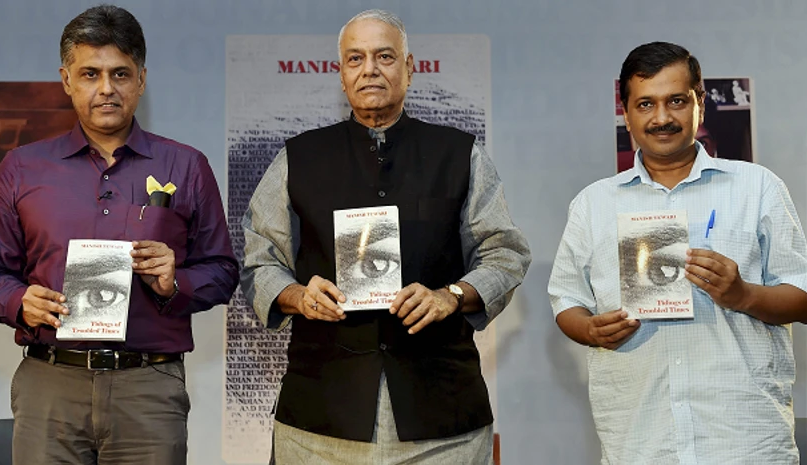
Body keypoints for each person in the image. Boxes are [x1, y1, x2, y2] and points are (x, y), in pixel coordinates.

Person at [241, 9, 530, 464]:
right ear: (341, 75)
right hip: (320, 418)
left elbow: (505, 254)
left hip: (442, 419)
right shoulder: (298, 157)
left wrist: (451, 295)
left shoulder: (459, 154)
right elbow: (260, 259)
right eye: (355, 59)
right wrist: (297, 295)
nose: (370, 69)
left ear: (410, 69)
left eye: (384, 56)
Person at [0, 5, 239, 464]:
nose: (106, 89)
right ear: (66, 80)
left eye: (120, 74)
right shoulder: (22, 167)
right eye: (90, 74)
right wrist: (20, 301)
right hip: (50, 384)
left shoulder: (186, 166)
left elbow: (222, 271)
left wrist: (174, 281)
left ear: (141, 79)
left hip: (148, 388)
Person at [548, 41, 807, 464]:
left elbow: (802, 295)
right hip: (640, 439)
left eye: (677, 101)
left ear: (700, 102)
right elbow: (566, 301)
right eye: (646, 104)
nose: (662, 118)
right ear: (626, 112)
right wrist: (590, 331)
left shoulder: (758, 187)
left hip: (744, 439)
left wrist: (743, 295)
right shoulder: (592, 204)